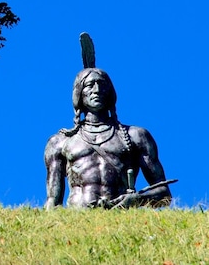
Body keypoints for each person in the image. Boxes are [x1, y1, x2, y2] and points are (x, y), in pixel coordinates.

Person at [44, 67, 172, 209]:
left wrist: (137, 199)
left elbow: (164, 194)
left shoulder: (136, 136)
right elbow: (53, 204)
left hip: (122, 218)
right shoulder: (60, 142)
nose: (97, 90)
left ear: (110, 92)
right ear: (79, 93)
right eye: (89, 85)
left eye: (102, 84)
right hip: (78, 218)